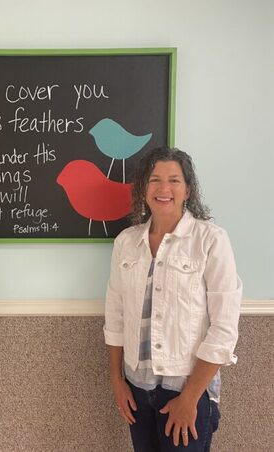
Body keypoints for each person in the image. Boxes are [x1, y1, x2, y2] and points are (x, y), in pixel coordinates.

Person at [104, 147, 242, 451]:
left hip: (185, 390)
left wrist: (190, 398)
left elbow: (224, 329)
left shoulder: (210, 240)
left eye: (174, 180)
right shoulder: (126, 242)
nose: (163, 188)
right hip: (137, 391)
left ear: (187, 190)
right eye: (154, 180)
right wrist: (117, 381)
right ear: (143, 189)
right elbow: (115, 316)